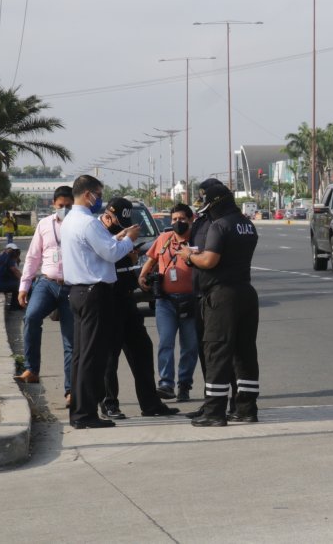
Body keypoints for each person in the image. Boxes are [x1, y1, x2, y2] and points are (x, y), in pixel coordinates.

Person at [178, 179, 261, 427]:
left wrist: (189, 256)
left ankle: (214, 412)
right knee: (244, 353)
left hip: (222, 296)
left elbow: (210, 261)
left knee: (216, 351)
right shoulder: (247, 225)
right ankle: (246, 408)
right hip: (246, 291)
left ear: (215, 204)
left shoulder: (219, 225)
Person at [60, 175, 139, 429]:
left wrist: (118, 237)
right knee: (92, 356)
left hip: (78, 291)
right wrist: (129, 239)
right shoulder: (88, 223)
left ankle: (79, 411)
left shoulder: (70, 220)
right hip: (94, 292)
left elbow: (99, 249)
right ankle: (86, 414)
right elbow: (111, 253)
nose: (100, 200)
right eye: (98, 194)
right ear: (88, 195)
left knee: (81, 356)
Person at [98, 197, 179, 420]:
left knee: (142, 348)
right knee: (110, 355)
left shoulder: (123, 233)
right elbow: (105, 255)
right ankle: (109, 404)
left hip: (127, 299)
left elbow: (127, 264)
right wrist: (124, 245)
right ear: (108, 215)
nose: (121, 227)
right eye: (117, 221)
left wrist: (135, 264)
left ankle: (150, 403)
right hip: (108, 300)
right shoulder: (98, 232)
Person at [16, 186, 75, 394]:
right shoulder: (44, 224)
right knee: (31, 317)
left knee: (71, 340)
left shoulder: (81, 225)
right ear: (53, 204)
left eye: (69, 206)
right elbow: (33, 257)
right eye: (61, 205)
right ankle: (31, 369)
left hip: (72, 287)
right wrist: (24, 286)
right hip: (47, 282)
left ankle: (70, 390)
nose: (65, 209)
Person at [139, 203, 199, 402]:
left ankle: (184, 385)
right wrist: (143, 276)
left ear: (191, 220)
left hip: (190, 301)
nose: (177, 222)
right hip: (166, 302)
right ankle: (166, 384)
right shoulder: (164, 239)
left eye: (182, 219)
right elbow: (151, 260)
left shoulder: (198, 240)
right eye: (174, 219)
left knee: (190, 346)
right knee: (166, 343)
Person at [0, 243, 22, 311]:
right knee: (19, 285)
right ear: (7, 250)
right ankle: (14, 306)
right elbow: (15, 271)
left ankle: (16, 305)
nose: (14, 252)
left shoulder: (3, 256)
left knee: (16, 283)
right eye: (12, 250)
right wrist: (24, 280)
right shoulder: (8, 257)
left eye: (15, 251)